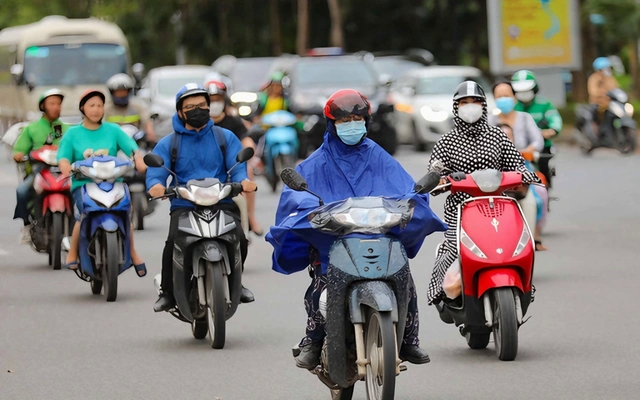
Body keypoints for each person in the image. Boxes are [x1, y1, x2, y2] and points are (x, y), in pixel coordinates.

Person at [267, 89, 447, 369]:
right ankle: (313, 340)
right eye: (344, 120)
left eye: (357, 119)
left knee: (404, 276)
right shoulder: (315, 163)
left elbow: (406, 189)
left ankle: (409, 338)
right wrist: (312, 210)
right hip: (333, 242)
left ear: (366, 121)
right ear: (332, 124)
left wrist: (412, 200)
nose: (351, 125)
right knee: (322, 284)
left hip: (379, 236)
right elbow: (298, 197)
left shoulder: (379, 156)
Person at [147, 84, 258, 312]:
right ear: (180, 112)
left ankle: (237, 282)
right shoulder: (169, 143)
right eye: (190, 107)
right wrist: (156, 186)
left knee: (239, 237)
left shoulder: (224, 137)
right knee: (172, 242)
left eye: (201, 105)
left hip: (221, 201)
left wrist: (243, 181)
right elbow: (156, 172)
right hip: (184, 204)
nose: (197, 110)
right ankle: (167, 292)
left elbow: (238, 166)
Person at [427, 81, 539, 306]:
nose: (470, 106)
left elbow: (517, 165)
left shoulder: (497, 136)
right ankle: (442, 293)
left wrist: (525, 176)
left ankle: (525, 285)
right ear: (456, 107)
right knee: (453, 249)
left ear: (484, 105)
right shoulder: (447, 141)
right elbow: (435, 172)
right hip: (461, 208)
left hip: (498, 205)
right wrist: (439, 179)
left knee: (517, 244)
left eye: (475, 101)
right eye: (464, 102)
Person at [57, 90, 147, 276]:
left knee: (124, 215)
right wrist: (67, 168)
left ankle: (132, 252)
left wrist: (138, 160)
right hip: (83, 184)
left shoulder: (113, 130)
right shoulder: (72, 133)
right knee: (82, 216)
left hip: (113, 182)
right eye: (92, 105)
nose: (96, 109)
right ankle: (72, 253)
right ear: (82, 108)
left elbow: (132, 149)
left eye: (99, 105)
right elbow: (63, 158)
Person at [205, 79, 263, 235]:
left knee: (248, 173)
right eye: (211, 100)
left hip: (231, 166)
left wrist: (249, 149)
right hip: (205, 166)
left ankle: (250, 217)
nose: (214, 103)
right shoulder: (199, 124)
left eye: (217, 99)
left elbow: (245, 138)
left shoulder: (233, 121)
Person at [13, 88, 69, 244]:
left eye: (58, 104)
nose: (56, 107)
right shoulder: (31, 129)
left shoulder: (67, 129)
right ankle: (27, 225)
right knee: (22, 191)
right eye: (52, 103)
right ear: (43, 106)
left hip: (64, 170)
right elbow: (19, 150)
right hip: (39, 170)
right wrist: (19, 155)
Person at [496, 123, 548, 251]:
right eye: (501, 136)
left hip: (517, 190)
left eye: (508, 136)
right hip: (492, 192)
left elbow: (527, 173)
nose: (505, 139)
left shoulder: (517, 156)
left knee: (534, 201)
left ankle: (532, 240)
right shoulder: (485, 156)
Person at [511, 70, 562, 188]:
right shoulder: (512, 106)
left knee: (544, 167)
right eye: (520, 91)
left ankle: (545, 187)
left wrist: (552, 130)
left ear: (534, 89)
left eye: (527, 90)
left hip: (541, 147)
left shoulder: (544, 104)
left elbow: (554, 118)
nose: (524, 94)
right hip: (516, 148)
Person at [489, 81, 544, 154]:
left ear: (514, 97)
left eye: (506, 96)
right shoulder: (489, 121)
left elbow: (538, 141)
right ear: (494, 99)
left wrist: (525, 152)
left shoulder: (525, 118)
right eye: (499, 97)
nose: (503, 99)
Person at [104, 73, 157, 143]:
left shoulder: (138, 105)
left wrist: (150, 132)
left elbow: (147, 121)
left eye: (124, 91)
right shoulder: (106, 108)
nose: (121, 95)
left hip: (135, 142)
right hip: (113, 142)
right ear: (112, 93)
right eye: (118, 92)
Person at [588, 57, 619, 129]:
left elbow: (616, 89)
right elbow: (593, 91)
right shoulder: (594, 78)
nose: (608, 70)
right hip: (598, 104)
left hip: (610, 104)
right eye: (605, 68)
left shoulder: (610, 78)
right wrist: (602, 93)